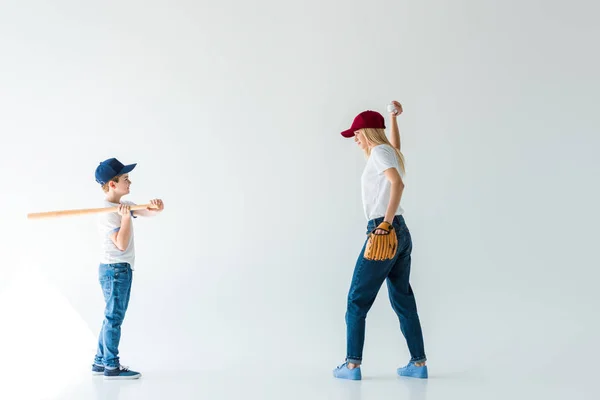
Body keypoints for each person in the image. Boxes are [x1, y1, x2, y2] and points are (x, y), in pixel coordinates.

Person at [333, 102, 428, 380]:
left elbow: (397, 183)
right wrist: (394, 118)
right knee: (402, 298)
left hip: (384, 230)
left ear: (369, 132)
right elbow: (396, 150)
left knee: (356, 300)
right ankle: (418, 364)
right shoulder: (387, 151)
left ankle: (352, 365)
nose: (355, 139)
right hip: (402, 233)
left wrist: (385, 224)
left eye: (357, 133)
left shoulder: (378, 153)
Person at [91, 158, 164, 380]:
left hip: (116, 269)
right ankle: (111, 366)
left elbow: (147, 212)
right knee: (114, 318)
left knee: (110, 317)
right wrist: (125, 219)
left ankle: (99, 361)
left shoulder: (122, 206)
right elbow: (121, 244)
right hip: (116, 270)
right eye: (125, 179)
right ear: (112, 184)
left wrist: (156, 208)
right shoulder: (107, 212)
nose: (129, 182)